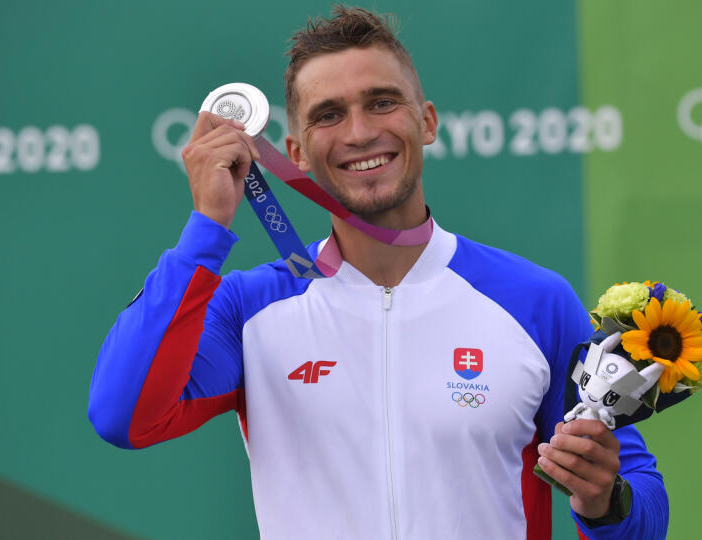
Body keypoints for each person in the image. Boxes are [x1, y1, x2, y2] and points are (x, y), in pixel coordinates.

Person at [88, 6, 668, 539]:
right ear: (294, 152)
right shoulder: (249, 309)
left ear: (428, 121)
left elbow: (641, 502)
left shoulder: (535, 301)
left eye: (382, 102)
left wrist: (605, 501)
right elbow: (124, 416)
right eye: (329, 115)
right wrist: (207, 227)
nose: (360, 132)